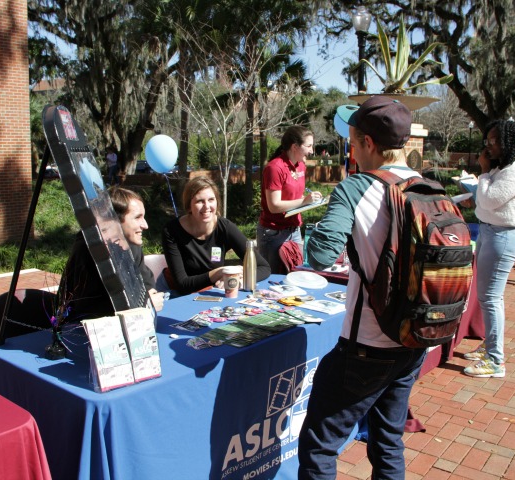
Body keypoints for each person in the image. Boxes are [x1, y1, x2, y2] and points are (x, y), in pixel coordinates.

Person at [297, 96, 427, 479]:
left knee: (320, 444)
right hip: (414, 339)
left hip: (367, 344)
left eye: (352, 142)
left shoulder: (356, 187)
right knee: (388, 441)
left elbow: (321, 255)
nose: (351, 150)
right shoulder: (429, 187)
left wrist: (316, 223)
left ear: (368, 143)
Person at [463, 119, 515, 378]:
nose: (489, 147)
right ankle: (490, 346)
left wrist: (482, 172)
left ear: (509, 142)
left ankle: (495, 360)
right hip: (491, 231)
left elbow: (490, 200)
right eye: (488, 141)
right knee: (490, 296)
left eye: (495, 142)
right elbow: (485, 203)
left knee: (490, 298)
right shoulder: (500, 168)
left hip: (505, 236)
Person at [59, 187, 165, 321]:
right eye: (137, 217)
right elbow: (89, 308)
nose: (145, 225)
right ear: (114, 220)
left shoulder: (131, 244)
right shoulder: (88, 251)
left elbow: (146, 279)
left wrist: (147, 298)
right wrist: (145, 306)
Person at [162, 176, 270, 295]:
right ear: (189, 206)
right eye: (199, 201)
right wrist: (218, 273)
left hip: (213, 294)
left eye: (211, 200)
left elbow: (263, 267)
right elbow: (182, 284)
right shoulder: (172, 231)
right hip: (178, 296)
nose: (207, 206)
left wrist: (240, 280)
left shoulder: (225, 228)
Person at [257, 126, 322, 273]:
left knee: (296, 276)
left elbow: (294, 197)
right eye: (309, 146)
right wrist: (305, 201)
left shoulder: (301, 166)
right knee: (272, 281)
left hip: (294, 231)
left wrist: (311, 200)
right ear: (295, 146)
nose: (312, 151)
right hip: (273, 233)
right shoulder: (274, 168)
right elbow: (274, 206)